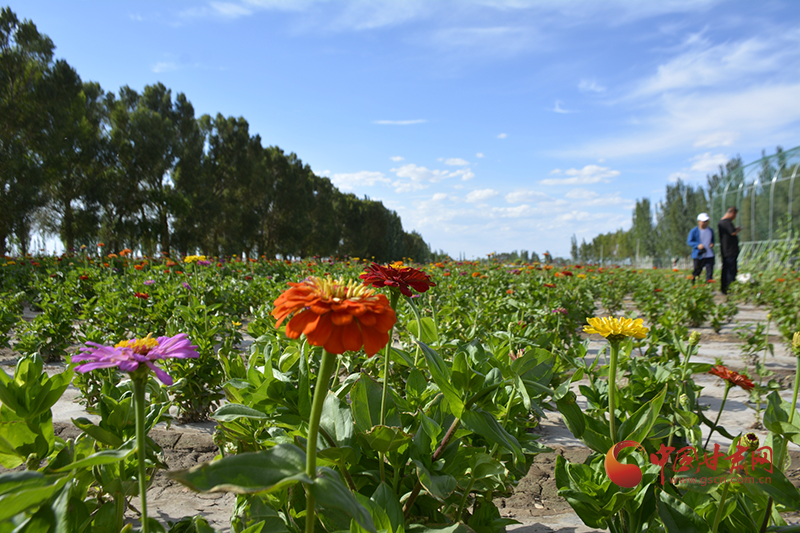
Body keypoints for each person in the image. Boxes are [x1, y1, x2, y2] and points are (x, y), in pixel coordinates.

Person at [718, 206, 742, 295]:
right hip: (730, 251)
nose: (734, 217)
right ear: (732, 213)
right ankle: (730, 288)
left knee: (725, 269)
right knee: (731, 270)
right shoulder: (727, 222)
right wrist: (738, 229)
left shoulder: (721, 222)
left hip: (725, 250)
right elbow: (732, 232)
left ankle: (724, 288)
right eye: (735, 215)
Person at [687, 212, 715, 282]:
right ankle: (694, 284)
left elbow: (712, 240)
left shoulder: (710, 230)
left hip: (709, 254)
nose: (705, 223)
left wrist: (712, 243)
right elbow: (689, 241)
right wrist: (697, 245)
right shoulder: (694, 231)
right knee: (697, 271)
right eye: (703, 222)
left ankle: (709, 285)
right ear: (699, 221)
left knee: (709, 272)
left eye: (706, 221)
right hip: (699, 255)